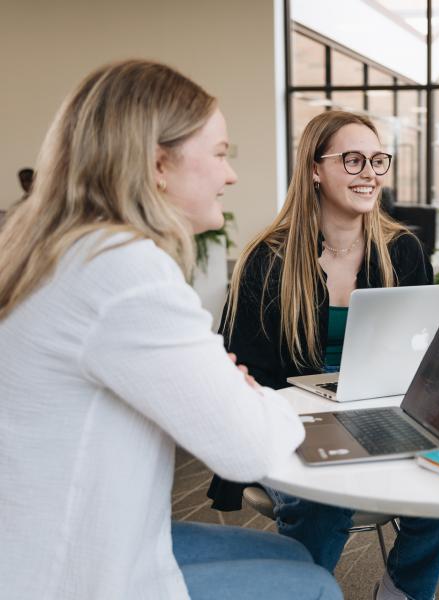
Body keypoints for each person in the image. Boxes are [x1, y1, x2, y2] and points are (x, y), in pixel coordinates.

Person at [0, 60, 340, 600]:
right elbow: (248, 450)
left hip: (40, 544)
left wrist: (235, 393)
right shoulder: (123, 271)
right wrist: (253, 395)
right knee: (315, 586)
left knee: (290, 553)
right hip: (71, 575)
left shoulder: (59, 250)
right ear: (160, 164)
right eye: (221, 154)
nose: (230, 176)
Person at [206, 110, 439, 600]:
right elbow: (243, 374)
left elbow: (424, 355)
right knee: (322, 499)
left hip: (380, 414)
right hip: (287, 421)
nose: (370, 173)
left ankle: (401, 591)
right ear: (315, 170)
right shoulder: (269, 258)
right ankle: (302, 590)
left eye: (378, 160)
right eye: (353, 160)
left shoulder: (403, 251)